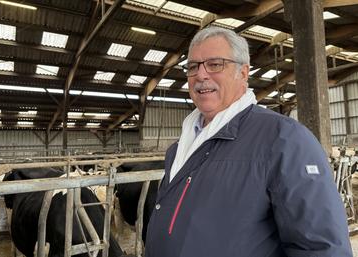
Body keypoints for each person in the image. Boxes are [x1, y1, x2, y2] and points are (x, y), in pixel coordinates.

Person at [144, 26, 353, 257]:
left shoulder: (284, 139)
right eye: (193, 66)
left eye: (215, 64)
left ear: (243, 73)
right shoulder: (179, 147)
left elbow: (321, 247)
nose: (201, 75)